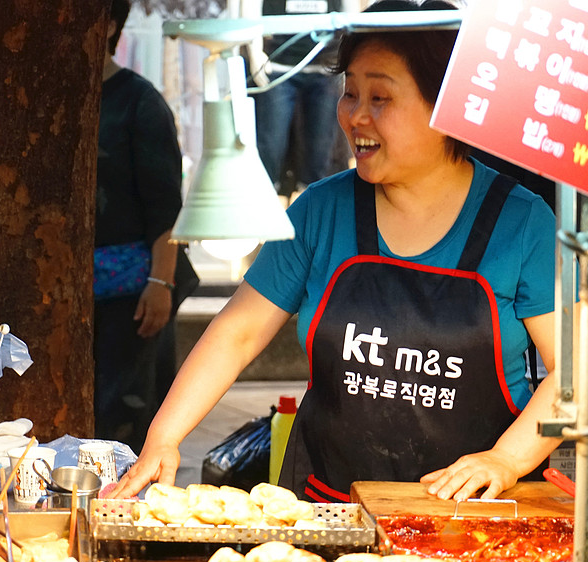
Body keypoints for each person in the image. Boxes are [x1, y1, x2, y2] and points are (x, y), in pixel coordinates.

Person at [110, 0, 564, 502]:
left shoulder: (521, 222)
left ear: (447, 109)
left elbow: (574, 376)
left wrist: (507, 459)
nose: (355, 116)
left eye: (380, 98)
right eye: (350, 93)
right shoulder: (321, 210)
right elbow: (237, 334)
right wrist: (164, 437)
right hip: (329, 507)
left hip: (470, 521)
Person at [93, 0, 184, 454]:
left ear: (109, 24)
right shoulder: (53, 102)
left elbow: (166, 206)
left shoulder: (140, 102)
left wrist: (160, 281)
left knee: (123, 413)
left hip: (132, 293)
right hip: (73, 293)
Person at [236, 0, 359, 195]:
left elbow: (351, 10)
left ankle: (313, 217)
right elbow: (251, 5)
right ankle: (265, 213)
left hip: (326, 64)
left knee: (320, 152)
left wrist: (349, 58)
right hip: (277, 64)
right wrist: (254, 50)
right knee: (270, 148)